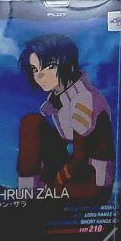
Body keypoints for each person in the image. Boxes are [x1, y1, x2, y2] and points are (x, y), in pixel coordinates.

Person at [16, 34, 114, 200]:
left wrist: (53, 184)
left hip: (93, 178)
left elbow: (79, 157)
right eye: (35, 69)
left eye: (49, 67)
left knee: (49, 197)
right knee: (31, 122)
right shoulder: (58, 95)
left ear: (68, 64)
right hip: (71, 163)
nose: (40, 75)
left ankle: (34, 196)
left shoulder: (84, 97)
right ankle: (27, 192)